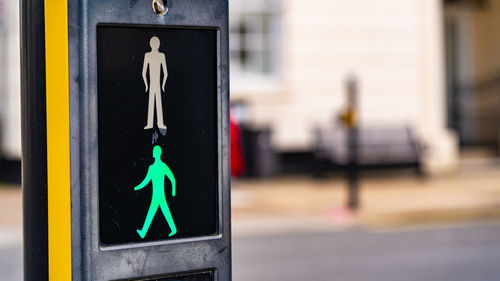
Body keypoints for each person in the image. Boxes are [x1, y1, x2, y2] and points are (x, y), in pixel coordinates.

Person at [133, 145, 177, 239]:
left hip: (158, 196)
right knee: (163, 212)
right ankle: (173, 229)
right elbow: (146, 181)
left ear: (157, 153)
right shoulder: (153, 168)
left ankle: (144, 232)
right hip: (158, 196)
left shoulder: (159, 167)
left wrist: (173, 192)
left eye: (154, 151)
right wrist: (137, 187)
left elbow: (172, 179)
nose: (153, 152)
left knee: (154, 212)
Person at [142, 36, 168, 130]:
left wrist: (146, 84)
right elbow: (166, 74)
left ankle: (151, 124)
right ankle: (158, 123)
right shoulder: (160, 56)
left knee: (152, 103)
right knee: (158, 103)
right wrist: (163, 84)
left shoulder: (148, 55)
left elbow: (143, 73)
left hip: (153, 83)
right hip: (156, 83)